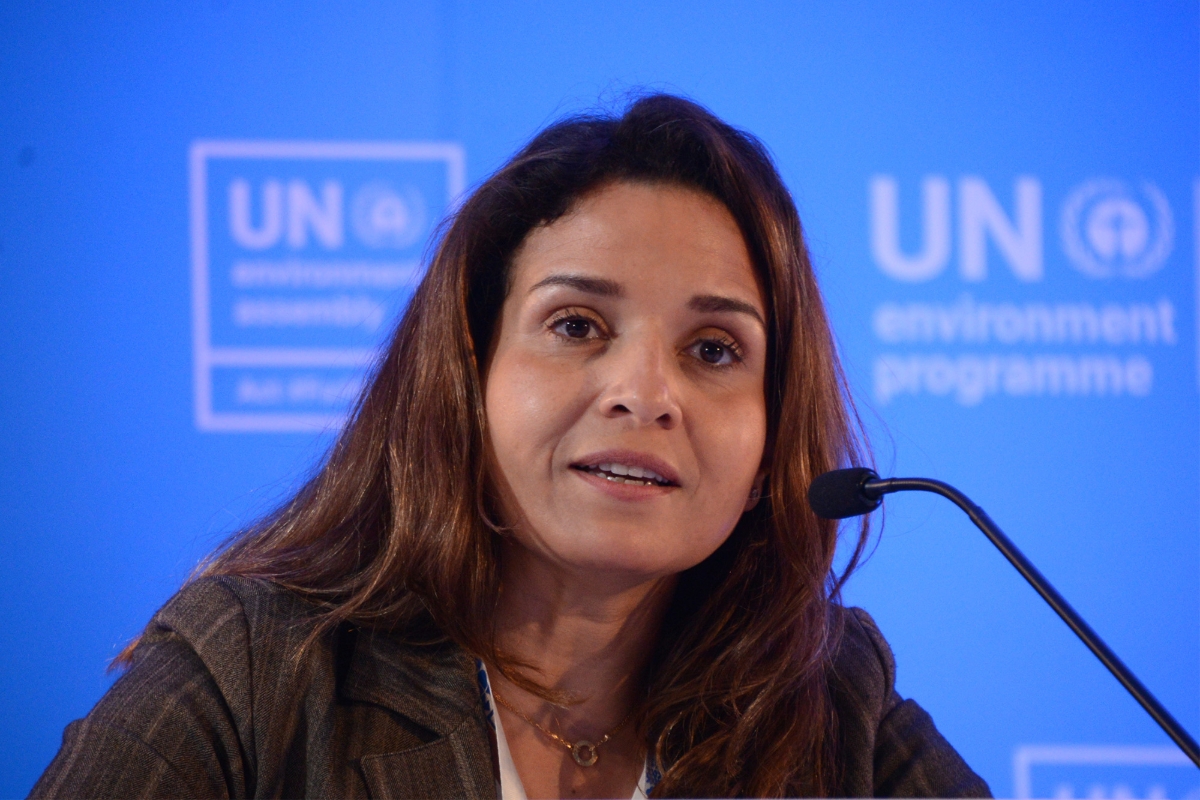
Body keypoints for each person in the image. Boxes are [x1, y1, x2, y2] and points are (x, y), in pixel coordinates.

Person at [31, 94, 990, 799]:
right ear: (467, 375)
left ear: (770, 443)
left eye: (713, 350)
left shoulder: (829, 706)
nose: (645, 395)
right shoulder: (258, 674)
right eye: (576, 325)